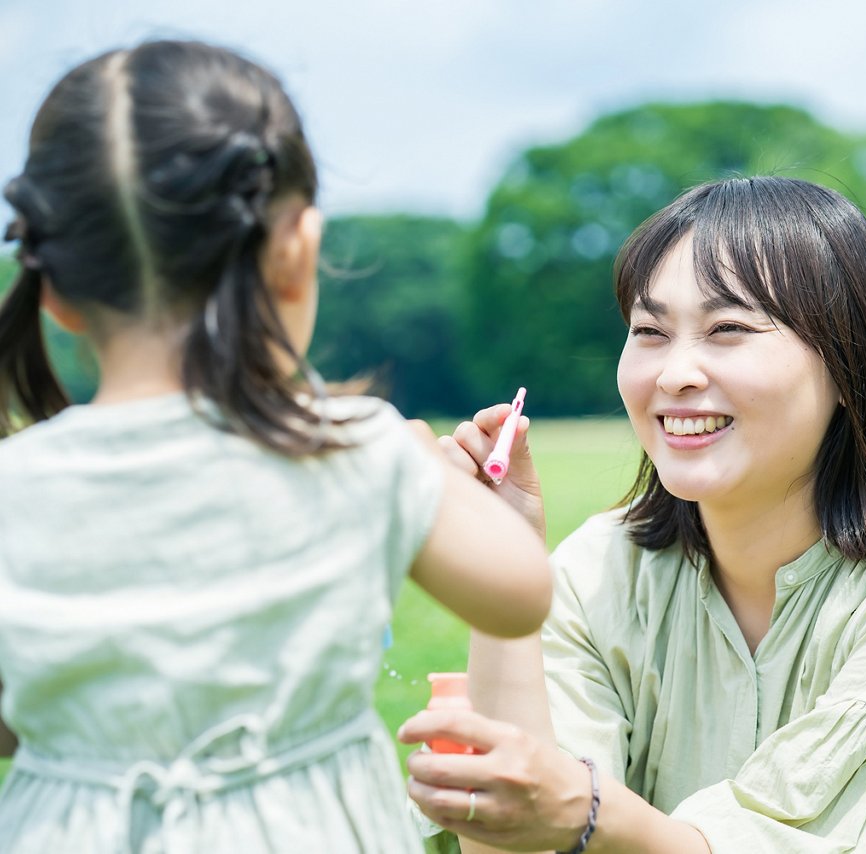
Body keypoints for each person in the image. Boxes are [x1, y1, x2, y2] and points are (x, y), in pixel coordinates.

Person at [399, 176, 866, 852]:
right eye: (649, 332)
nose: (676, 372)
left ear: (846, 366)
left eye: (729, 329)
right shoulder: (597, 573)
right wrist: (504, 577)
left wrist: (585, 811)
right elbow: (517, 835)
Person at [0, 40, 551, 853]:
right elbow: (520, 594)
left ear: (55, 290)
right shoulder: (354, 451)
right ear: (297, 251)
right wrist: (437, 488)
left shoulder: (14, 485)